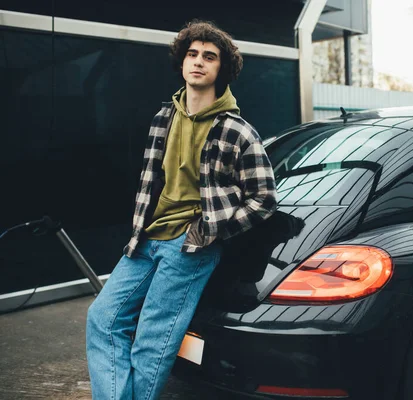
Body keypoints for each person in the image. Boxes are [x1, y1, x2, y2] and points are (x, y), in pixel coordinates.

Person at [85, 20, 277, 400]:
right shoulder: (164, 118)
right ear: (182, 61)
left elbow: (264, 198)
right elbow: (152, 180)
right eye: (192, 54)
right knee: (103, 319)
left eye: (210, 56)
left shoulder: (237, 130)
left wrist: (212, 230)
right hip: (146, 238)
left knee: (153, 340)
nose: (199, 62)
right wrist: (140, 226)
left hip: (189, 247)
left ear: (222, 69)